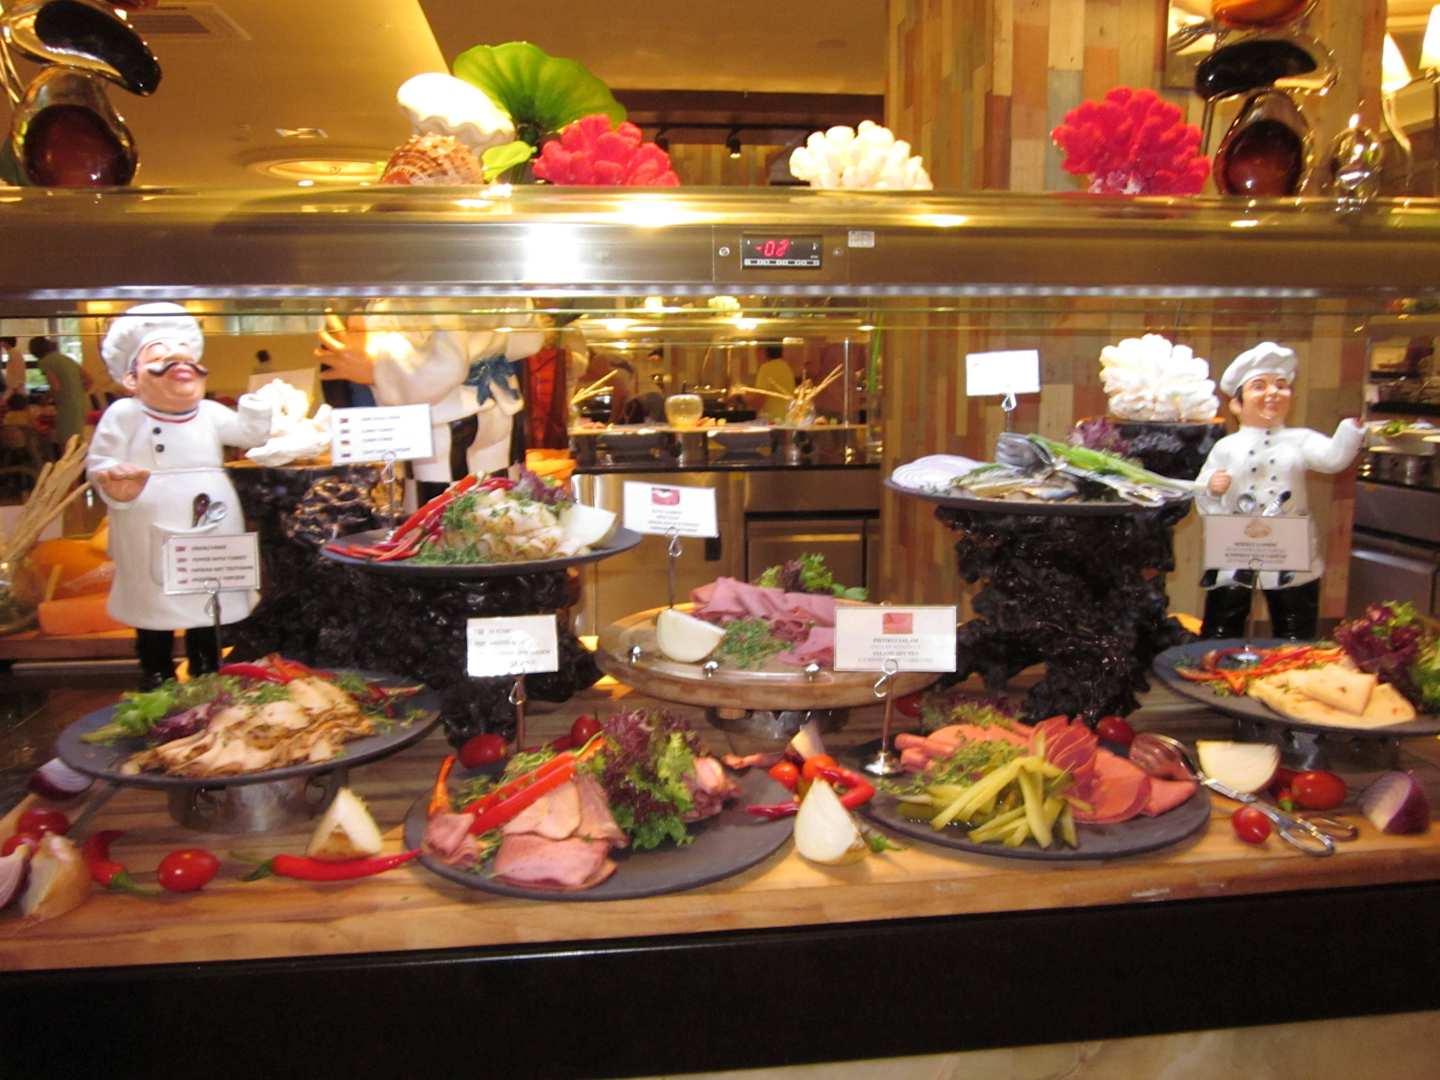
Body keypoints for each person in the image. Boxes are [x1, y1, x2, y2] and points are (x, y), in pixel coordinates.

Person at [87, 303, 272, 689]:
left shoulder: (208, 412)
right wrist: (115, 481)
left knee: (208, 597)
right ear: (132, 378)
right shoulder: (125, 414)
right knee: (153, 601)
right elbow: (101, 462)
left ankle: (207, 670)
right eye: (159, 355)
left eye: (184, 354)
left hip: (213, 521)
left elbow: (248, 435)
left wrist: (257, 409)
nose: (178, 361)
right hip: (147, 523)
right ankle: (157, 672)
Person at [1196, 342, 1364, 640]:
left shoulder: (1300, 440)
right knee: (1224, 618)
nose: (1272, 392)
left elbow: (1332, 458)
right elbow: (1203, 489)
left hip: (1287, 548)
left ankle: (1292, 662)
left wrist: (1350, 431)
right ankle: (1215, 659)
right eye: (1259, 386)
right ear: (1237, 404)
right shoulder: (1226, 447)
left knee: (1294, 623)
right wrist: (1212, 487)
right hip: (1236, 546)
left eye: (1281, 385)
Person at [29, 334, 91, 450]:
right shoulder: (66, 358)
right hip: (82, 403)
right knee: (78, 441)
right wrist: (76, 391)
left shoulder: (45, 362)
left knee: (66, 444)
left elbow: (55, 386)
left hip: (66, 407)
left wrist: (46, 399)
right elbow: (89, 380)